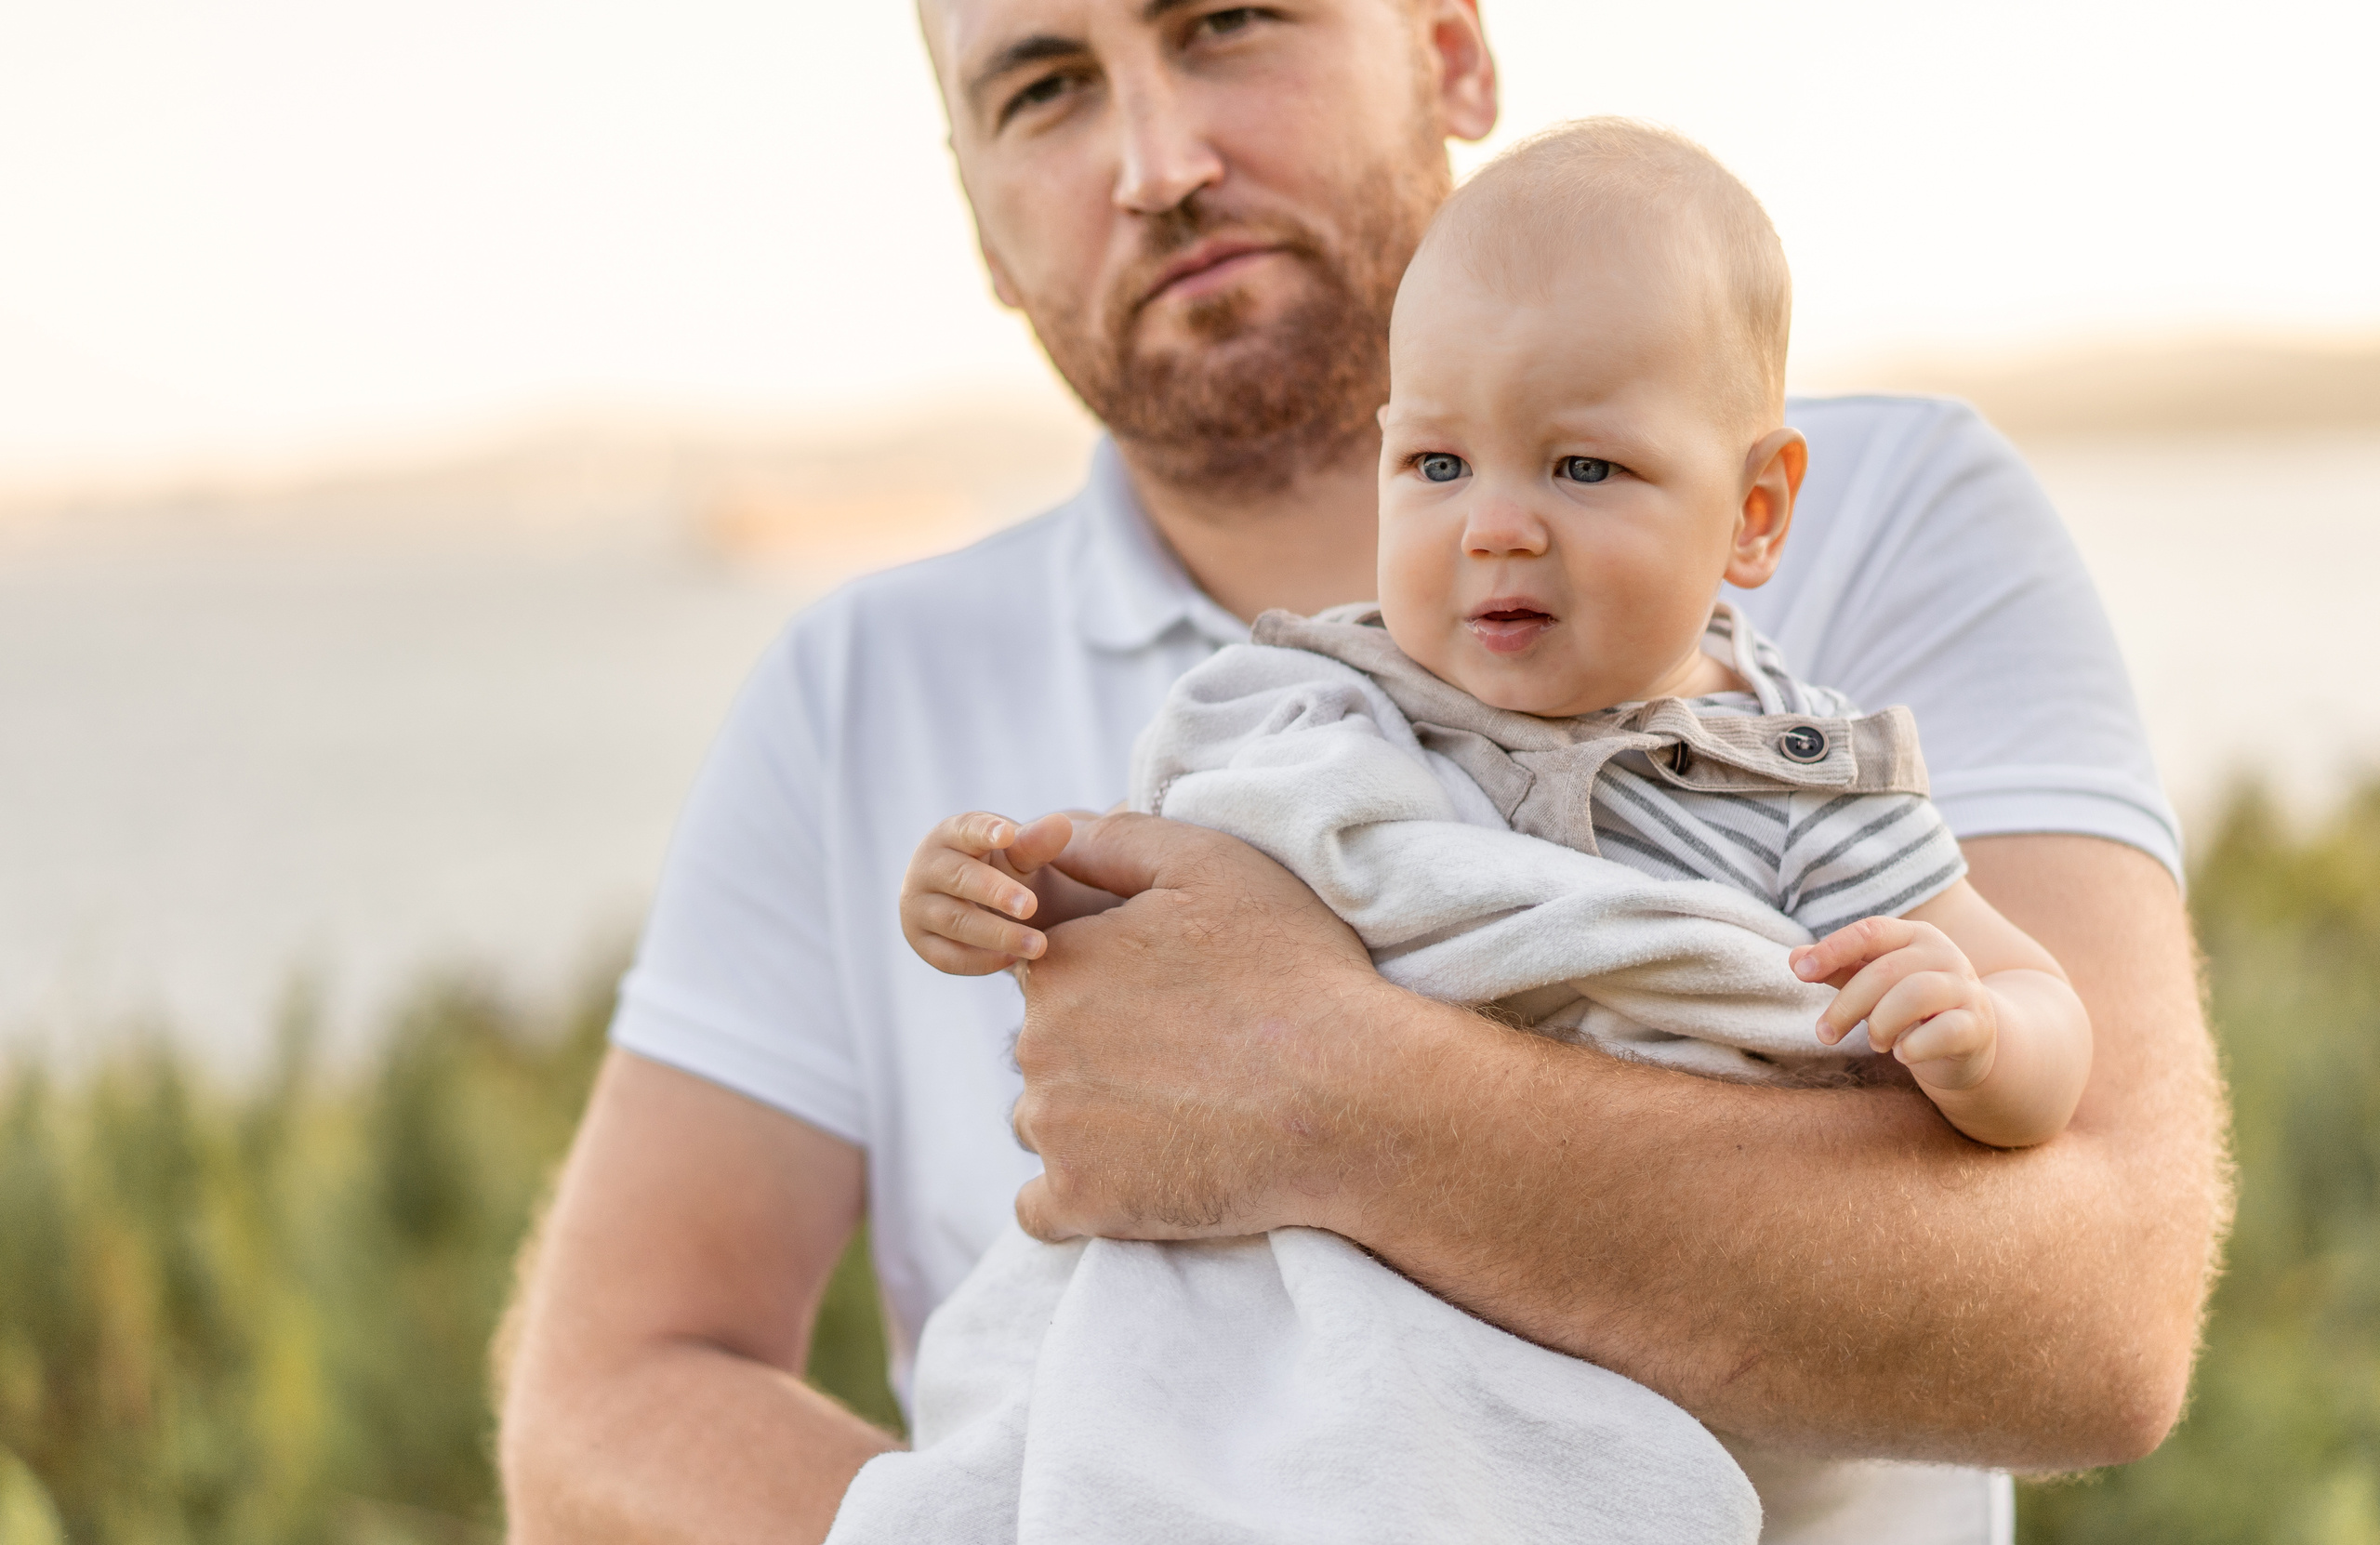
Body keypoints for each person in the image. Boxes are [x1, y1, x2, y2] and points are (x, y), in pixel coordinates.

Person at [496, 4, 2228, 1543]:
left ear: (1451, 49)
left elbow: (2104, 1316)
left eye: (1229, 21)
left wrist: (1315, 1088)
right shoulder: (855, 686)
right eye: (1041, 86)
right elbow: (605, 1398)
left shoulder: (1888, 527)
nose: (1158, 163)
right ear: (977, 221)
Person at [861, 120, 2097, 1542]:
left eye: (1582, 469)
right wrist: (1010, 900)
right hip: (1328, 1346)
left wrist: (1985, 1043)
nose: (1495, 527)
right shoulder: (1326, 715)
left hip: (1623, 1357)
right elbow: (1175, 979)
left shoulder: (1792, 781)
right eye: (1439, 465)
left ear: (1753, 512)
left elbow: (2040, 1002)